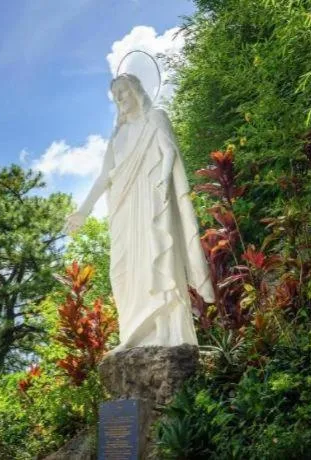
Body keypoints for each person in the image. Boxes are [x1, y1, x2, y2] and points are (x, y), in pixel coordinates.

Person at [65, 73, 214, 350]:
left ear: (136, 90)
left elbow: (169, 151)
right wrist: (83, 212)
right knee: (121, 269)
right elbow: (104, 177)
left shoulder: (155, 118)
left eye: (123, 91)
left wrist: (163, 177)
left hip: (151, 199)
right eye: (115, 95)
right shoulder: (117, 138)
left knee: (155, 258)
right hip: (123, 207)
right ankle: (132, 334)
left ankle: (167, 333)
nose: (120, 98)